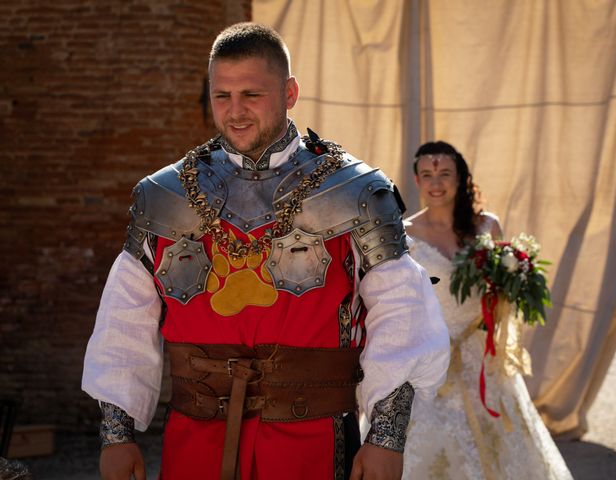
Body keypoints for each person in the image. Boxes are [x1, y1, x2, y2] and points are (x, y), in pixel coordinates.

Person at [82, 23, 450, 480]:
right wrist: (117, 435)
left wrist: (385, 439)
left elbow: (402, 317)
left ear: (290, 92)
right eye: (222, 96)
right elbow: (124, 323)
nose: (235, 112)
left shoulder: (354, 193)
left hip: (313, 442)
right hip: (198, 443)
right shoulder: (165, 196)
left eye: (252, 95)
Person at [403, 141, 573, 479]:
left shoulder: (486, 227)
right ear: (418, 181)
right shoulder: (405, 233)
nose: (436, 183)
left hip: (483, 354)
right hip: (430, 356)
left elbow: (500, 289)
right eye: (427, 175)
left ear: (461, 179)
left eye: (445, 174)